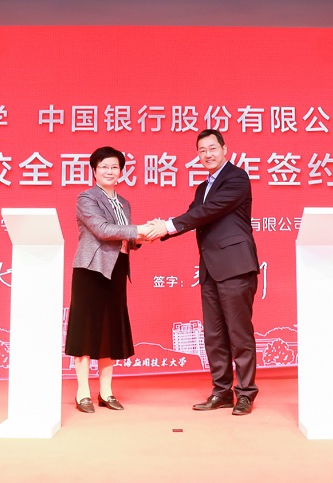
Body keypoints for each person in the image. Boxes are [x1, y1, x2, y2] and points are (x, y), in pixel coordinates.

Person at [147, 129, 260, 415]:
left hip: (235, 266)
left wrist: (166, 226)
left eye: (212, 148)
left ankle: (245, 393)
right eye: (202, 150)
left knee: (239, 334)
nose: (207, 154)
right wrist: (152, 233)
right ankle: (221, 392)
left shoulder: (237, 178)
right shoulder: (202, 188)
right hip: (210, 269)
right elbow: (192, 217)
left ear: (224, 149)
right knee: (214, 335)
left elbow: (208, 211)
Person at [65, 146, 152, 413]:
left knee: (109, 330)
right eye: (104, 166)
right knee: (85, 329)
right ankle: (83, 393)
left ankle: (106, 392)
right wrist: (138, 230)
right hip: (91, 269)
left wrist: (144, 236)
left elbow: (124, 237)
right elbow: (103, 230)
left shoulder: (124, 203)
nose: (109, 171)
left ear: (121, 172)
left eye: (114, 167)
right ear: (94, 170)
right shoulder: (86, 198)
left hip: (116, 269)